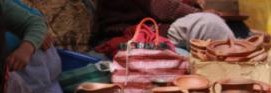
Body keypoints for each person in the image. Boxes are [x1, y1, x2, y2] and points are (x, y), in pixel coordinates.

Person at [94, 0, 234, 50]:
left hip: (157, 27)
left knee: (233, 27)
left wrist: (194, 5)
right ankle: (233, 81)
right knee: (208, 24)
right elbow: (164, 8)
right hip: (136, 37)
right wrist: (198, 11)